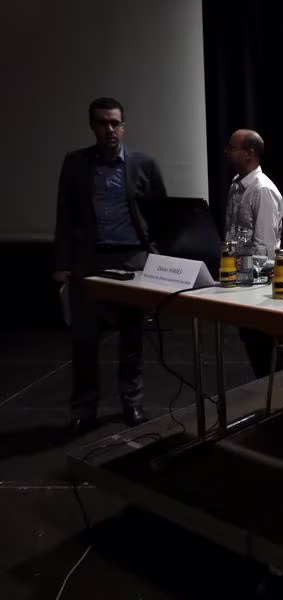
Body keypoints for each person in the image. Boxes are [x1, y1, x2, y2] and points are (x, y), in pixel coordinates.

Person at [54, 97, 167, 438]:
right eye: (103, 123)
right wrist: (62, 263)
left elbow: (161, 216)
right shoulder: (76, 163)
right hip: (90, 261)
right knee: (84, 339)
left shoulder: (144, 164)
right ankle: (83, 409)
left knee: (132, 336)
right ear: (93, 126)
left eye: (115, 123)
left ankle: (132, 402)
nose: (110, 129)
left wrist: (158, 258)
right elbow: (65, 215)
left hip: (132, 259)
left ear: (123, 126)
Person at [224, 129, 283, 377]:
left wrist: (254, 282)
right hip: (240, 271)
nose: (228, 153)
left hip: (258, 277)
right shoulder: (236, 185)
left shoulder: (262, 190)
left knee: (259, 338)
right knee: (249, 336)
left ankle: (272, 383)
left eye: (232, 148)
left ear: (249, 153)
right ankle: (269, 381)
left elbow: (264, 247)